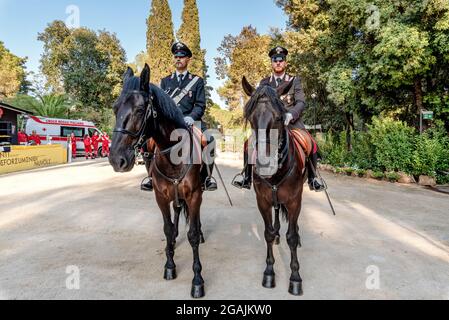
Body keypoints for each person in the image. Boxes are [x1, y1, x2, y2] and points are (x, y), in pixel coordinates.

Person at [232, 46, 325, 192]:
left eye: (281, 60)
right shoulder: (264, 82)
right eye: (275, 60)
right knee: (248, 143)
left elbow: (301, 102)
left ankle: (313, 178)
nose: (278, 63)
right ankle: (247, 177)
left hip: (291, 123)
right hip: (270, 124)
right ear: (271, 63)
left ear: (285, 63)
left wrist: (291, 114)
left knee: (310, 142)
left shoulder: (294, 81)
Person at [141, 41, 218, 192]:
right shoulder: (165, 81)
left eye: (181, 56)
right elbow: (159, 105)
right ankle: (150, 177)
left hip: (191, 121)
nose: (178, 59)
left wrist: (191, 117)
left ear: (188, 59)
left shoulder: (197, 81)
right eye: (176, 56)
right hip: (169, 123)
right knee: (146, 142)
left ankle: (207, 177)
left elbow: (200, 105)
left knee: (209, 140)